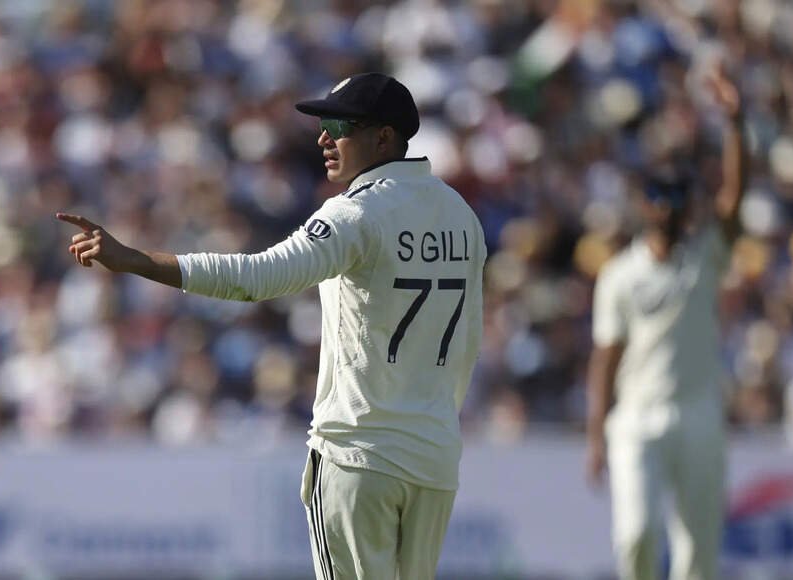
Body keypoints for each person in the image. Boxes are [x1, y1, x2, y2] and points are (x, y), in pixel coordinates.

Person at [56, 72, 486, 580]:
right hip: (434, 460)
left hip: (358, 454)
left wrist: (138, 261)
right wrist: (435, 424)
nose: (323, 138)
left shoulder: (356, 213)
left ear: (383, 137)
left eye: (339, 126)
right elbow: (467, 344)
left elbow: (256, 278)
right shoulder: (461, 215)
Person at [586, 66, 746, 580]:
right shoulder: (619, 274)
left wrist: (735, 124)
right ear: (647, 206)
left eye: (682, 200)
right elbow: (605, 357)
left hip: (698, 414)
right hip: (637, 418)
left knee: (698, 547)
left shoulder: (703, 257)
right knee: (635, 534)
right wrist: (595, 436)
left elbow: (734, 200)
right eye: (665, 200)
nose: (675, 211)